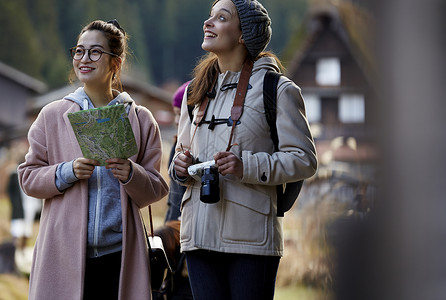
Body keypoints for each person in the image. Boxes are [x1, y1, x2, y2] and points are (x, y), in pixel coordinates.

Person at [169, 1, 317, 299]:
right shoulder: (195, 93)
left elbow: (304, 159)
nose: (208, 23)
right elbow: (179, 155)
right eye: (209, 16)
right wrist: (180, 167)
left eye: (221, 18)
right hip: (197, 238)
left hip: (251, 241)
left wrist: (245, 166)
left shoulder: (278, 89)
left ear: (242, 34)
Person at [18, 19, 169, 300]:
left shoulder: (140, 119)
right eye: (79, 51)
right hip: (62, 254)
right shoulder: (52, 116)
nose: (84, 59)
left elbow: (156, 189)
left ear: (116, 62)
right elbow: (28, 178)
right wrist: (66, 172)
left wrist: (131, 173)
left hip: (121, 255)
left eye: (95, 52)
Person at [165, 81, 190, 223]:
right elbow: (173, 198)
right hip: (175, 221)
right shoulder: (177, 145)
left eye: (180, 114)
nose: (176, 120)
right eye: (174, 114)